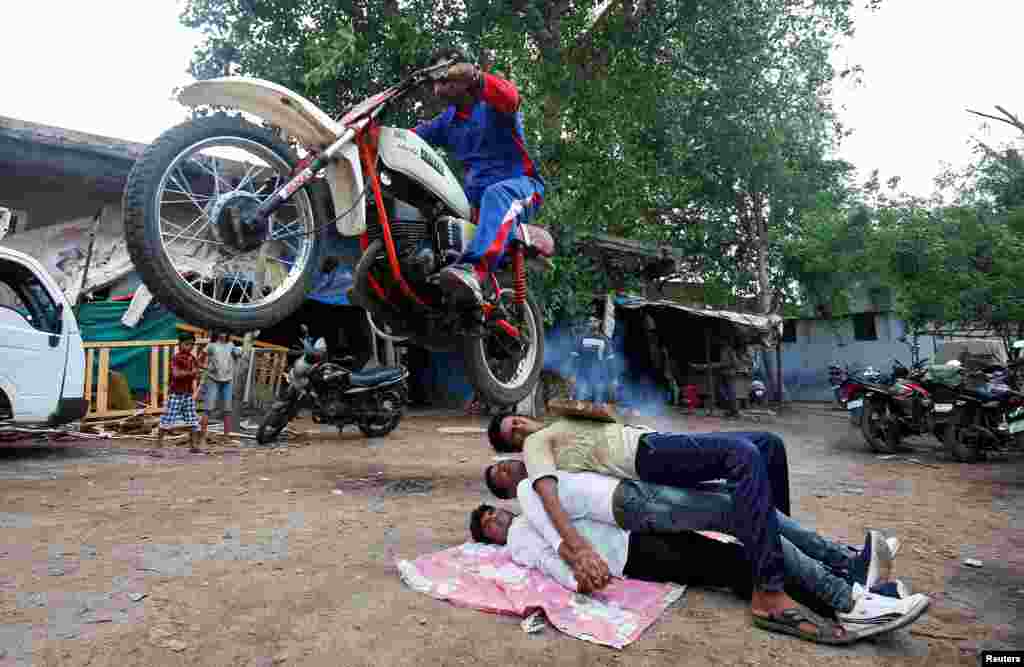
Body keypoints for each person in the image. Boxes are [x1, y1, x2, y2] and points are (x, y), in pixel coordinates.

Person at [481, 464, 924, 640]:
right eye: (487, 524)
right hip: (633, 555)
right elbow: (551, 556)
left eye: (491, 514)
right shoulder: (523, 528)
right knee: (731, 561)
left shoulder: (546, 480)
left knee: (739, 534)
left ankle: (847, 586)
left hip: (631, 532)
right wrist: (572, 574)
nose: (494, 520)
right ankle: (842, 599)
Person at [487, 411, 805, 631]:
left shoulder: (557, 425)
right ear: (514, 451)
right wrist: (578, 552)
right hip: (644, 462)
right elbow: (549, 504)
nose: (519, 429)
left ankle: (778, 548)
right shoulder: (536, 451)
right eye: (512, 434)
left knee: (768, 445)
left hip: (649, 443)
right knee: (743, 456)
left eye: (516, 422)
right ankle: (770, 585)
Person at [413, 48, 544, 307]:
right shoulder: (447, 121)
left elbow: (511, 97)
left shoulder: (492, 103)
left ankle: (474, 269)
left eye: (446, 77)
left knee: (496, 195)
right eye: (436, 81)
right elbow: (408, 138)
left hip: (521, 187)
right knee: (431, 199)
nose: (440, 86)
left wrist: (474, 76)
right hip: (474, 203)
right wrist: (366, 131)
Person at [158, 332, 202, 452]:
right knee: (167, 419)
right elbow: (176, 374)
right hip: (176, 393)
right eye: (187, 344)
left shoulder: (192, 358)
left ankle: (193, 446)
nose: (190, 347)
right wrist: (192, 373)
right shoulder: (176, 358)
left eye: (192, 344)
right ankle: (158, 446)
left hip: (188, 394)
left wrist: (199, 372)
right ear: (180, 344)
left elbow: (198, 371)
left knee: (192, 420)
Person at [204, 330, 242, 435]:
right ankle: (202, 436)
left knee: (227, 409)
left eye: (224, 330)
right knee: (208, 407)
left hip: (227, 380)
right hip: (213, 379)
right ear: (216, 332)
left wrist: (238, 351)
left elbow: (238, 354)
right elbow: (201, 356)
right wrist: (205, 368)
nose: (223, 333)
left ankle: (226, 436)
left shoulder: (231, 345)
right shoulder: (211, 345)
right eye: (220, 330)